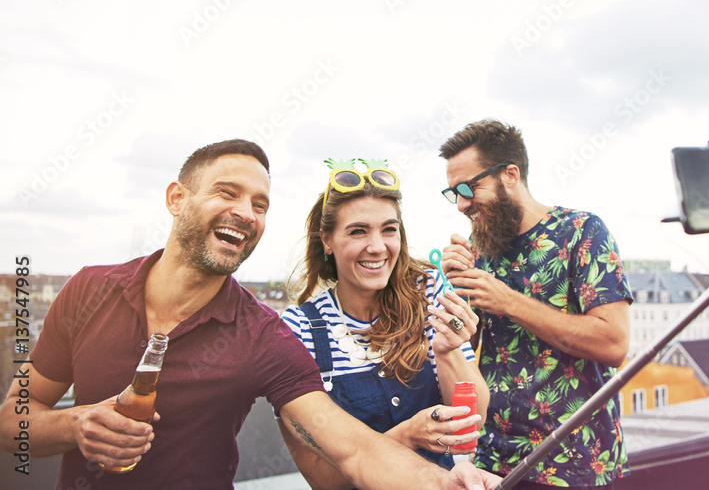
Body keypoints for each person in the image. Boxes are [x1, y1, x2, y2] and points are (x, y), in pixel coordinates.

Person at [0, 139, 499, 490]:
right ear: (177, 198)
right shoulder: (88, 289)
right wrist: (77, 425)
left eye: (260, 204)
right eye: (227, 192)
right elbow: (12, 425)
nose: (247, 212)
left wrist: (444, 482)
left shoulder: (263, 336)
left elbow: (354, 451)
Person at [439, 120, 632, 488]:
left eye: (469, 187)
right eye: (454, 193)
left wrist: (508, 301)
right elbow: (468, 353)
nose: (462, 204)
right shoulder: (478, 247)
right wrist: (457, 295)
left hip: (577, 466)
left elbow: (613, 344)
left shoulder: (582, 231)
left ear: (510, 174)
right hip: (494, 464)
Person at [279, 158, 489, 487]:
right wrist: (408, 434)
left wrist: (447, 352)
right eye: (358, 231)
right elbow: (323, 479)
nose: (377, 247)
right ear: (327, 240)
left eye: (388, 229)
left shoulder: (429, 292)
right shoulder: (298, 330)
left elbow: (474, 420)